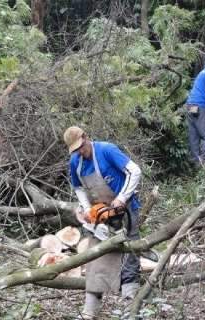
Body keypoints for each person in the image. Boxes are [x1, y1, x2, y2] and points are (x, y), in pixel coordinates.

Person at [63, 126, 141, 319]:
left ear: (85, 137)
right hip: (103, 208)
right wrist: (88, 208)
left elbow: (135, 171)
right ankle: (91, 308)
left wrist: (122, 198)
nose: (80, 152)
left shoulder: (107, 150)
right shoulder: (76, 163)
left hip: (126, 204)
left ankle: (130, 300)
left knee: (130, 248)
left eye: (81, 147)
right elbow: (78, 187)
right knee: (97, 251)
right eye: (76, 150)